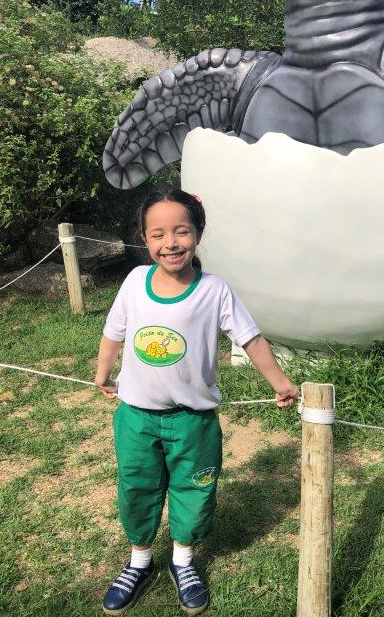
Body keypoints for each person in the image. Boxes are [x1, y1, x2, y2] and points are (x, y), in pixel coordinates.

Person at [95, 188, 298, 616]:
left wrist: (280, 382)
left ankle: (183, 560)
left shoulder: (215, 291)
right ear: (145, 239)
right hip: (136, 418)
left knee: (194, 488)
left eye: (181, 231)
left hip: (193, 420)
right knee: (137, 486)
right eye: (158, 234)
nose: (170, 243)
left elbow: (250, 339)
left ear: (198, 234)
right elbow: (114, 331)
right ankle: (139, 562)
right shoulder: (134, 282)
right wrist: (102, 373)